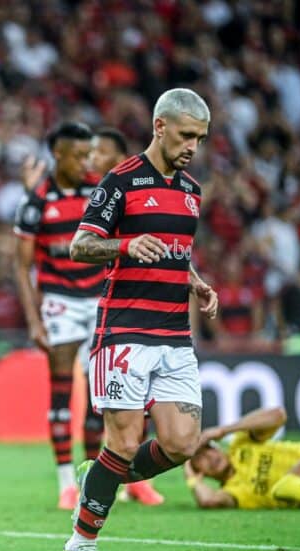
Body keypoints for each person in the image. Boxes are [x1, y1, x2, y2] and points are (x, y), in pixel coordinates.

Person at [59, 88, 220, 551]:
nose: (193, 146)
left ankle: (100, 475)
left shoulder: (191, 192)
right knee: (126, 442)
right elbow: (80, 245)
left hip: (174, 336)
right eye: (187, 135)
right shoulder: (120, 182)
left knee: (182, 443)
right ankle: (80, 546)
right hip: (124, 332)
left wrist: (195, 282)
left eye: (201, 138)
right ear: (160, 127)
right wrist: (126, 245)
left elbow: (175, 253)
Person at [13, 122, 106, 510]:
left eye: (89, 154)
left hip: (99, 297)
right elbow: (20, 266)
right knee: (62, 391)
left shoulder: (99, 190)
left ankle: (90, 478)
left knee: (99, 396)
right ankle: (66, 482)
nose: (86, 161)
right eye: (79, 155)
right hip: (60, 302)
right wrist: (34, 321)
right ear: (59, 155)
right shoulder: (35, 202)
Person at [88, 127, 166, 507]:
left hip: (148, 315)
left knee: (145, 410)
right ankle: (98, 474)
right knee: (104, 410)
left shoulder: (156, 189)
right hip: (100, 310)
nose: (93, 159)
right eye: (90, 153)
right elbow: (79, 246)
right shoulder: (109, 189)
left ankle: (115, 477)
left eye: (101, 152)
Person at [185, 406, 300, 511]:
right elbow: (208, 501)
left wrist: (224, 430)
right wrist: (191, 478)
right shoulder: (234, 493)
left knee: (284, 486)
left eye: (209, 449)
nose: (209, 458)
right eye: (200, 460)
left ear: (218, 447)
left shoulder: (242, 444)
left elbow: (278, 415)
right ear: (201, 473)